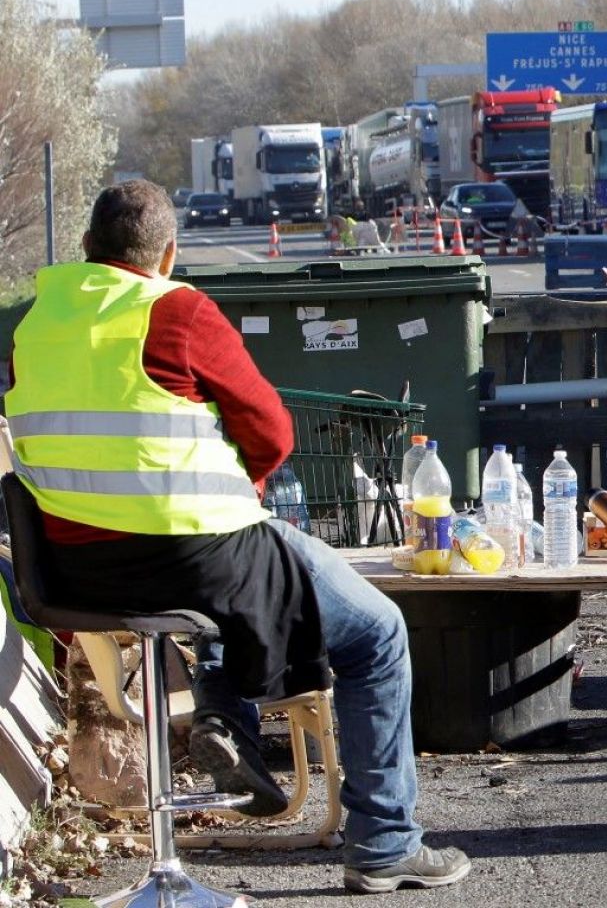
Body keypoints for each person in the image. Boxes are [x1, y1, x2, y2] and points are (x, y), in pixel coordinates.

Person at [4, 181, 468, 895]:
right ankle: (384, 844)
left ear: (88, 250)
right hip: (194, 559)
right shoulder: (177, 311)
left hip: (73, 576)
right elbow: (272, 433)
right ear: (168, 255)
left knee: (242, 580)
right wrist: (229, 487)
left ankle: (230, 715)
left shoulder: (33, 327)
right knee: (376, 632)